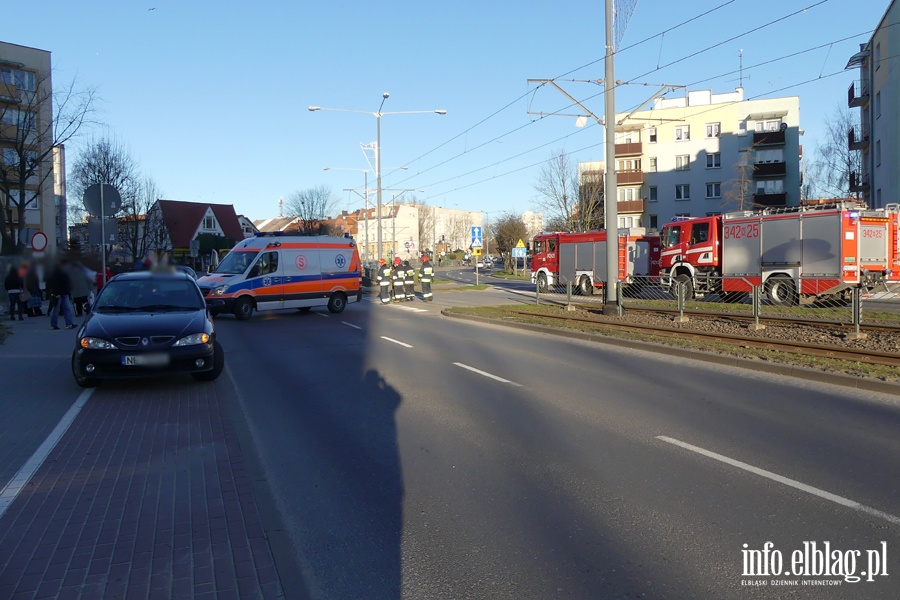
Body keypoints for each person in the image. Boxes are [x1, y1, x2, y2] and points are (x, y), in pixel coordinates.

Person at [48, 259, 76, 330]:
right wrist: (57, 293)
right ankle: (67, 323)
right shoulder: (59, 273)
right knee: (62, 309)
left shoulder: (57, 273)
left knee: (60, 309)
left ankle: (63, 324)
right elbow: (56, 284)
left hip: (62, 293)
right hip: (61, 293)